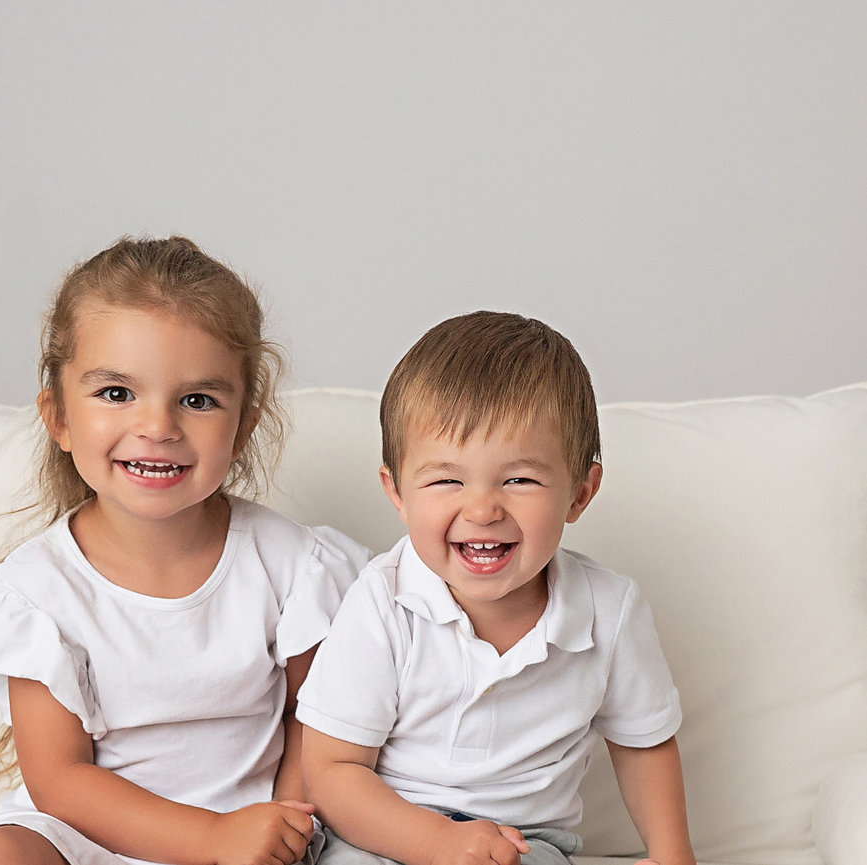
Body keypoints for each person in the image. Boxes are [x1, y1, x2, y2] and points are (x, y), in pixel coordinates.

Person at [0, 236, 369, 865]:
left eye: (197, 400)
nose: (159, 426)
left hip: (249, 831)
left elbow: (319, 722)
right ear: (58, 417)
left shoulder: (292, 567)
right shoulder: (34, 593)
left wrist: (281, 830)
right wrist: (206, 841)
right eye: (117, 393)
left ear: (243, 429)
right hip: (87, 834)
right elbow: (59, 781)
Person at [297, 311, 696, 865]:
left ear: (580, 493)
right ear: (397, 491)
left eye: (520, 480)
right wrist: (436, 843)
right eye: (446, 480)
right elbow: (330, 771)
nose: (483, 509)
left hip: (523, 843)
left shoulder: (610, 609)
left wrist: (672, 854)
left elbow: (643, 743)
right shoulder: (382, 602)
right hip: (385, 831)